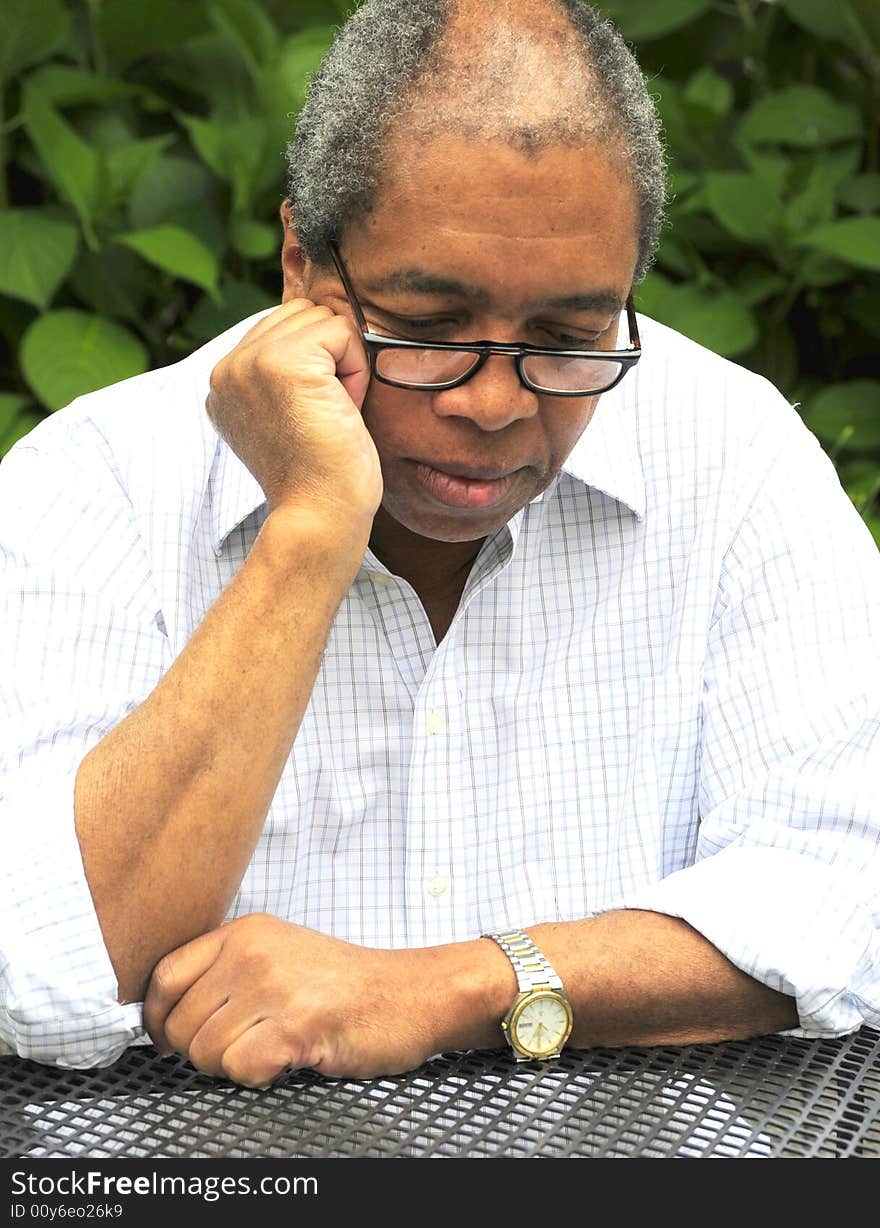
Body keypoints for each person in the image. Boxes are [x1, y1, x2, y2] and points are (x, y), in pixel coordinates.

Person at [1, 0, 878, 1087]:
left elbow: (847, 885)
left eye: (567, 337)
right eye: (427, 326)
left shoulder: (735, 456)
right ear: (301, 267)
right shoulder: (97, 486)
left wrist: (448, 988)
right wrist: (310, 529)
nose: (496, 401)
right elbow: (42, 969)